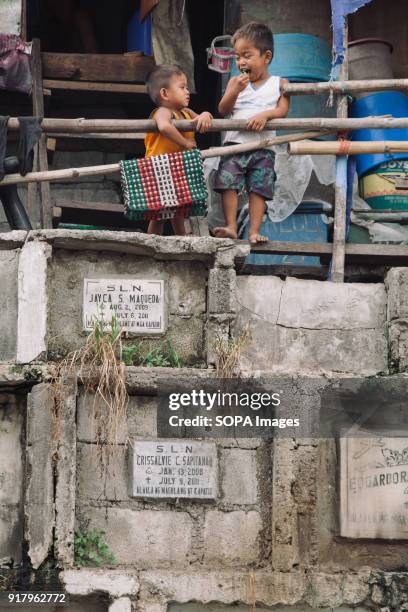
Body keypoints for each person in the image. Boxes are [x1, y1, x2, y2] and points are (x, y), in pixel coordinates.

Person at [213, 21, 290, 243]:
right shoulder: (235, 83)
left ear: (266, 57)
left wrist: (265, 115)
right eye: (238, 57)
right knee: (228, 182)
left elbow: (282, 110)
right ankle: (231, 225)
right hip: (235, 144)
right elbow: (223, 109)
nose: (241, 62)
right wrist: (235, 91)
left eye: (247, 55)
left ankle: (254, 231)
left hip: (263, 147)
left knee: (259, 188)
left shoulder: (279, 83)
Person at [144, 64, 213, 235]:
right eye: (182, 87)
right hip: (160, 167)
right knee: (159, 212)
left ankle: (182, 239)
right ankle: (151, 242)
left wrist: (205, 114)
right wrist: (185, 143)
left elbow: (204, 119)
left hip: (178, 168)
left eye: (187, 87)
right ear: (164, 93)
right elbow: (164, 127)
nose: (187, 91)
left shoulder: (186, 112)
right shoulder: (163, 111)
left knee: (179, 208)